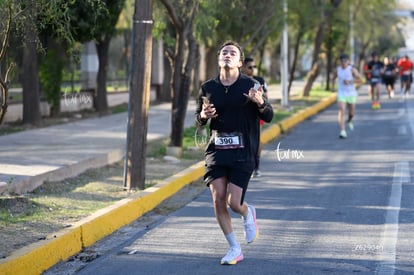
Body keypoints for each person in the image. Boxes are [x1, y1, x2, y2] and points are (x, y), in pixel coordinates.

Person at [195, 40, 273, 265]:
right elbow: (198, 121)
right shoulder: (208, 87)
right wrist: (203, 116)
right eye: (224, 52)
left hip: (243, 151)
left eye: (233, 53)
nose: (227, 55)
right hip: (217, 151)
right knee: (218, 199)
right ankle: (234, 248)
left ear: (240, 62)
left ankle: (248, 213)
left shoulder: (251, 85)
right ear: (219, 59)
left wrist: (260, 103)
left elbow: (268, 115)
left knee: (233, 203)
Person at [242, 57, 268, 178]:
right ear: (243, 68)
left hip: (256, 113)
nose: (253, 69)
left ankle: (256, 166)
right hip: (242, 114)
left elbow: (266, 97)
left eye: (254, 67)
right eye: (250, 67)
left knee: (257, 139)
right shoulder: (239, 81)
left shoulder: (259, 80)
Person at [333, 53, 363, 139]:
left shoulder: (352, 70)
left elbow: (361, 80)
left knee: (352, 113)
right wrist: (333, 87)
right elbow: (333, 78)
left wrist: (350, 82)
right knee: (341, 110)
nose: (343, 63)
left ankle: (349, 120)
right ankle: (343, 131)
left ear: (348, 61)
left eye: (345, 61)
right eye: (342, 61)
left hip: (351, 93)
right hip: (341, 93)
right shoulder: (338, 70)